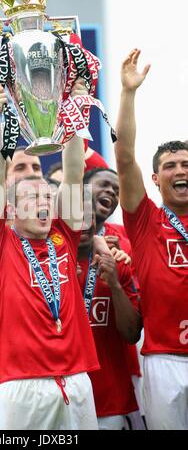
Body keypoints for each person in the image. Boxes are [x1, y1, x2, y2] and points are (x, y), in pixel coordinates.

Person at [0, 80, 102, 430]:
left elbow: (74, 173)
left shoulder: (64, 235)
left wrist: (76, 113)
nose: (45, 205)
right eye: (32, 200)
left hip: (76, 380)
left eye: (48, 198)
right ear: (11, 212)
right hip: (20, 385)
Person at [114, 48, 188, 430]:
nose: (180, 171)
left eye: (186, 165)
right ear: (156, 179)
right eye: (170, 166)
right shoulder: (145, 220)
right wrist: (128, 94)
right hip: (164, 360)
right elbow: (125, 157)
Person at [78, 177, 143, 430]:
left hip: (112, 402)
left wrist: (115, 284)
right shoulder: (47, 269)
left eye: (88, 216)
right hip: (62, 400)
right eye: (75, 217)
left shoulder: (117, 263)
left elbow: (131, 334)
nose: (83, 223)